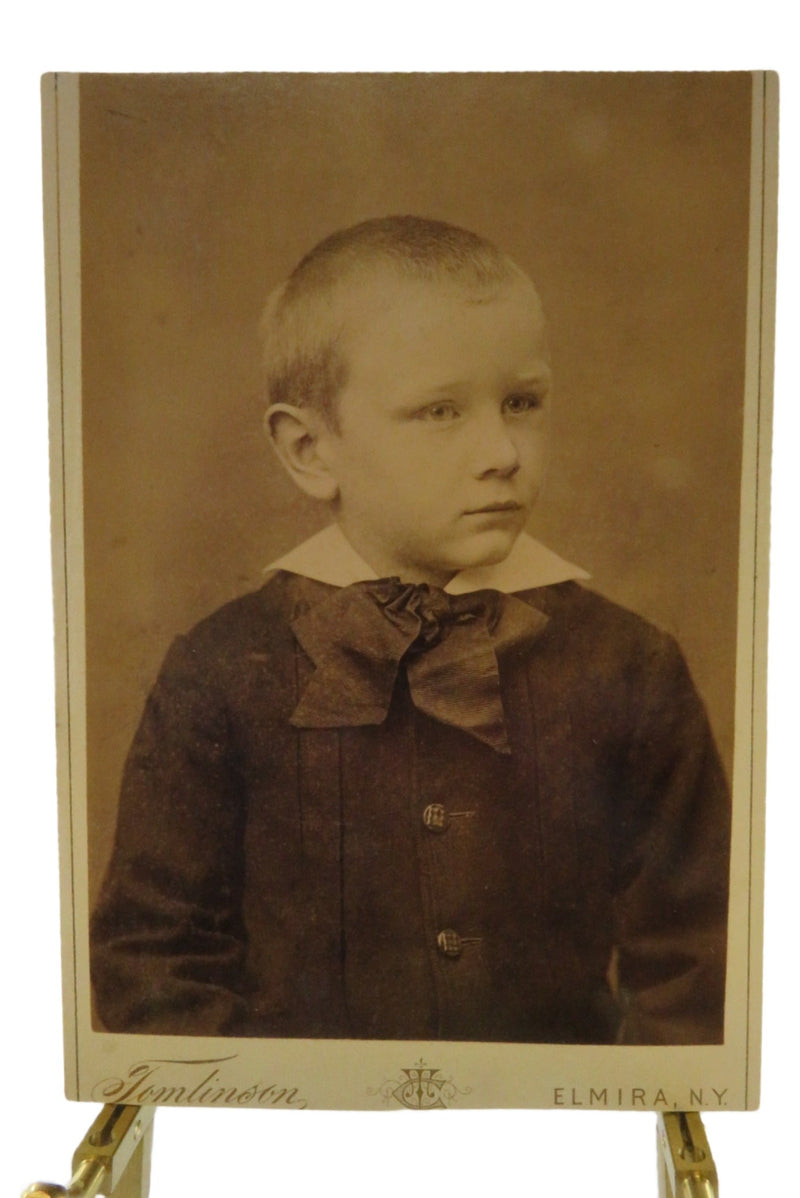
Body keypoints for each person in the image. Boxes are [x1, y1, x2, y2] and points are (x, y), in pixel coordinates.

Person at [91, 215, 730, 1045]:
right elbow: (154, 960)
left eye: (523, 402)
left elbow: (699, 964)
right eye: (439, 412)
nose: (502, 450)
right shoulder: (220, 669)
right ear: (311, 450)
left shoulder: (629, 666)